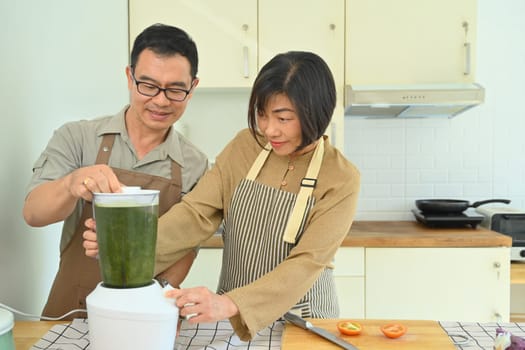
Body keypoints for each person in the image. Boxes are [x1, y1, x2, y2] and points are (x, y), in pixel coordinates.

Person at [84, 51, 360, 340]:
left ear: (316, 112)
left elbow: (307, 263)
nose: (269, 129)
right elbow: (196, 214)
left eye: (283, 118)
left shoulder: (341, 178)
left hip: (303, 321)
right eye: (262, 114)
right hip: (230, 321)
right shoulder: (245, 146)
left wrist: (229, 303)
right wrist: (129, 247)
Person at [23, 23, 209, 319]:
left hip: (145, 316)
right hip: (70, 312)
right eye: (147, 85)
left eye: (175, 90)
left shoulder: (196, 165)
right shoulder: (77, 137)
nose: (160, 100)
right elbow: (34, 213)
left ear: (193, 87)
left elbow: (186, 248)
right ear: (129, 76)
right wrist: (72, 183)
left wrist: (151, 303)